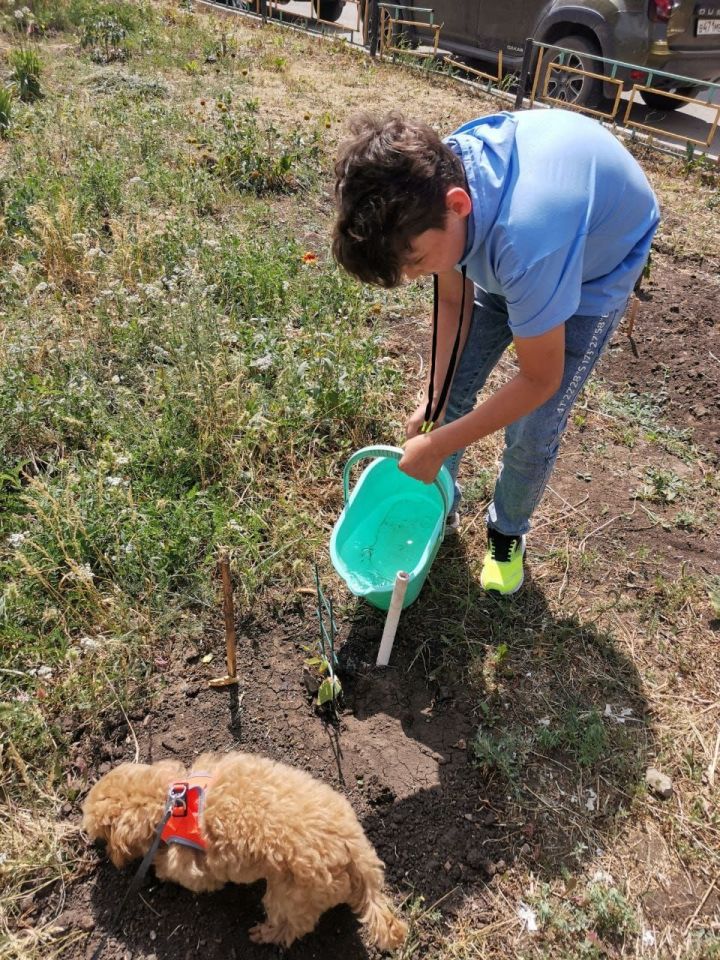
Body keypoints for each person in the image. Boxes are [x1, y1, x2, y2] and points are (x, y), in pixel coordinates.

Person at [332, 108, 659, 595]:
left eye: (416, 262)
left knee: (534, 426)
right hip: (518, 241)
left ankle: (507, 535)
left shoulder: (527, 241)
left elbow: (539, 378)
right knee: (449, 397)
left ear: (458, 204)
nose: (413, 275)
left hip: (594, 264)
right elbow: (451, 297)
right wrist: (435, 398)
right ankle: (440, 506)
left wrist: (438, 445)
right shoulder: (431, 186)